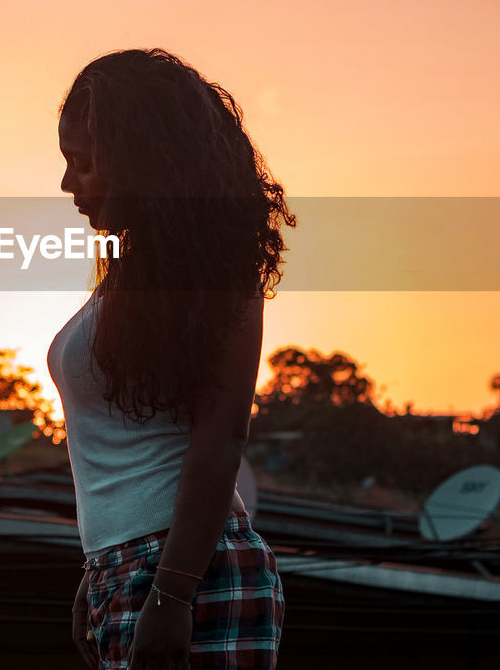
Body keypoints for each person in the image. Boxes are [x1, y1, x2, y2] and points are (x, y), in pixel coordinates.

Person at [47, 48, 296, 669]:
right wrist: (97, 570)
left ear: (139, 164)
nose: (66, 184)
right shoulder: (134, 280)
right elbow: (127, 442)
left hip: (192, 573)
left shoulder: (218, 274)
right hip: (128, 568)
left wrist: (172, 590)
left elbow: (220, 437)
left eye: (81, 163)